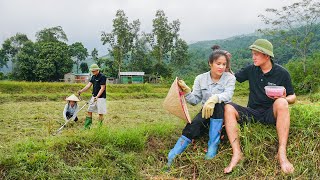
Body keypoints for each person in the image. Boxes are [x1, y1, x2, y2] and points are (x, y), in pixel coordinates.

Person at [223, 39, 296, 174]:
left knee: (282, 103)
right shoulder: (251, 70)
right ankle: (237, 154)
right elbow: (232, 77)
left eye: (257, 54)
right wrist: (226, 62)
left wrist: (284, 98)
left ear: (267, 56)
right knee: (228, 107)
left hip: (271, 113)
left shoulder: (282, 73)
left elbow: (293, 96)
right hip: (252, 112)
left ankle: (282, 153)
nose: (253, 57)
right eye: (253, 53)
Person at [166, 46, 236, 168]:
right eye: (218, 63)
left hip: (223, 114)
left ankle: (212, 146)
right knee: (195, 124)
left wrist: (214, 99)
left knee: (218, 104)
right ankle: (173, 154)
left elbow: (228, 94)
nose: (221, 67)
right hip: (206, 111)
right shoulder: (200, 78)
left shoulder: (230, 78)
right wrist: (187, 91)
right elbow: (194, 100)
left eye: (224, 64)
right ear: (210, 63)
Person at [78, 64, 107, 129]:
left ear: (97, 70)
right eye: (92, 71)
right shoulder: (93, 77)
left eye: (94, 71)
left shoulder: (102, 77)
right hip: (94, 97)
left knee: (100, 113)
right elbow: (88, 85)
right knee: (89, 110)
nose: (93, 72)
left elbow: (102, 88)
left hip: (101, 98)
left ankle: (100, 128)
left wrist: (97, 96)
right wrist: (81, 91)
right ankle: (87, 127)